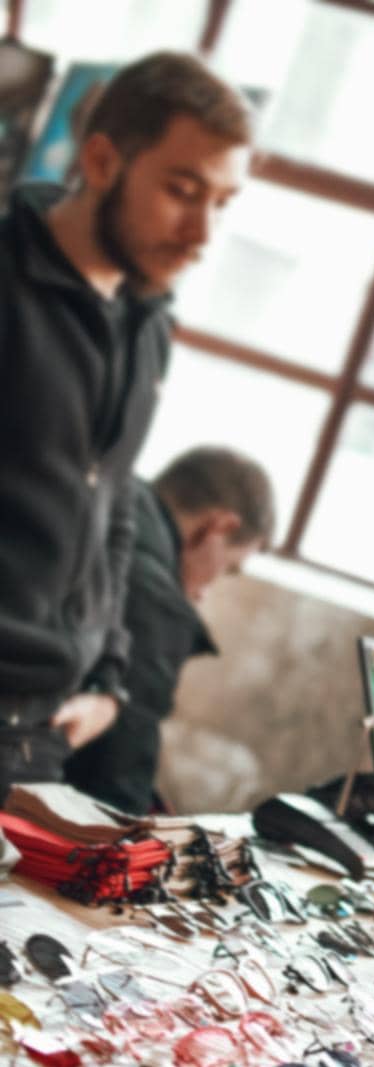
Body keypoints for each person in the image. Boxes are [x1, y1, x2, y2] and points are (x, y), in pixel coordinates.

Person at [0, 53, 252, 798]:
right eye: (182, 190)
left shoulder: (145, 326)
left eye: (223, 202)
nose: (202, 232)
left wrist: (109, 677)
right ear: (103, 159)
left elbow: (111, 509)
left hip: (39, 741)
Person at [64, 447, 274, 814]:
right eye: (229, 568)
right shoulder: (156, 602)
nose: (208, 589)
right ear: (219, 527)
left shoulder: (95, 491)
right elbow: (114, 783)